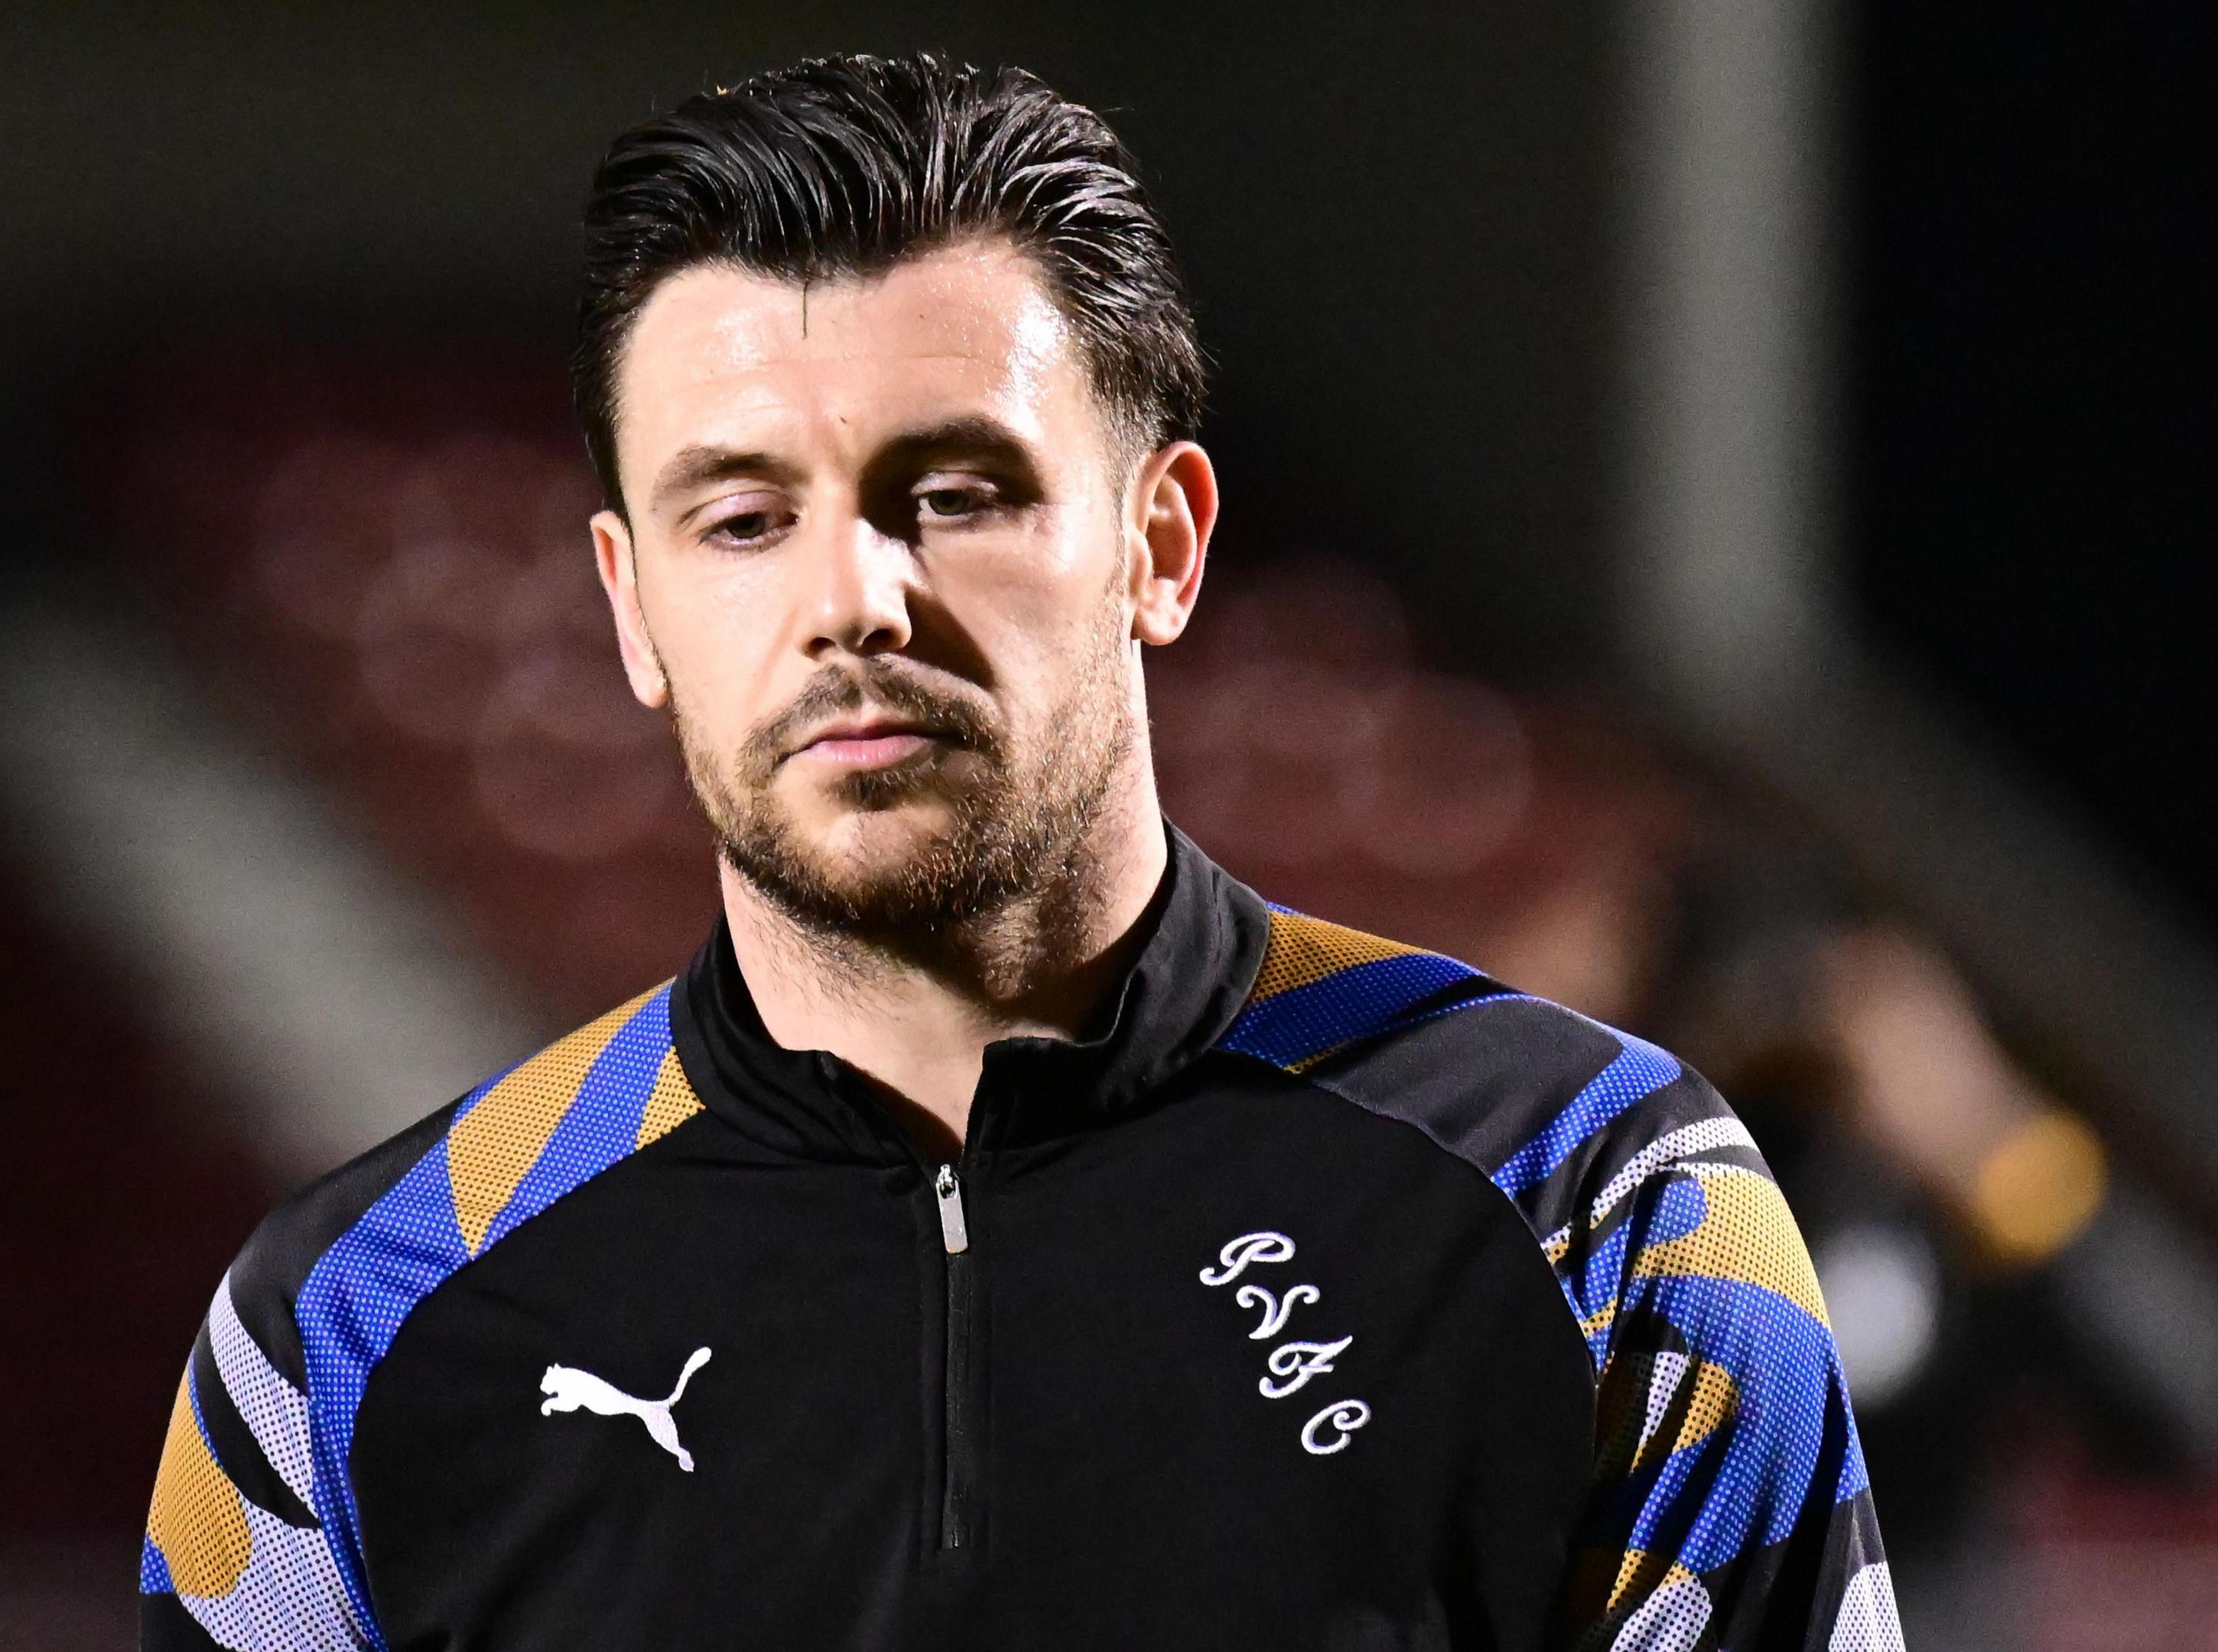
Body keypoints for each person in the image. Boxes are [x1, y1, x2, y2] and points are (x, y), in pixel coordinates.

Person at [138, 54, 1900, 1650]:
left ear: (1162, 543)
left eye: (958, 494)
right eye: (742, 518)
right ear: (632, 607)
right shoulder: (350, 1325)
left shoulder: (1601, 1206)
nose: (853, 599)